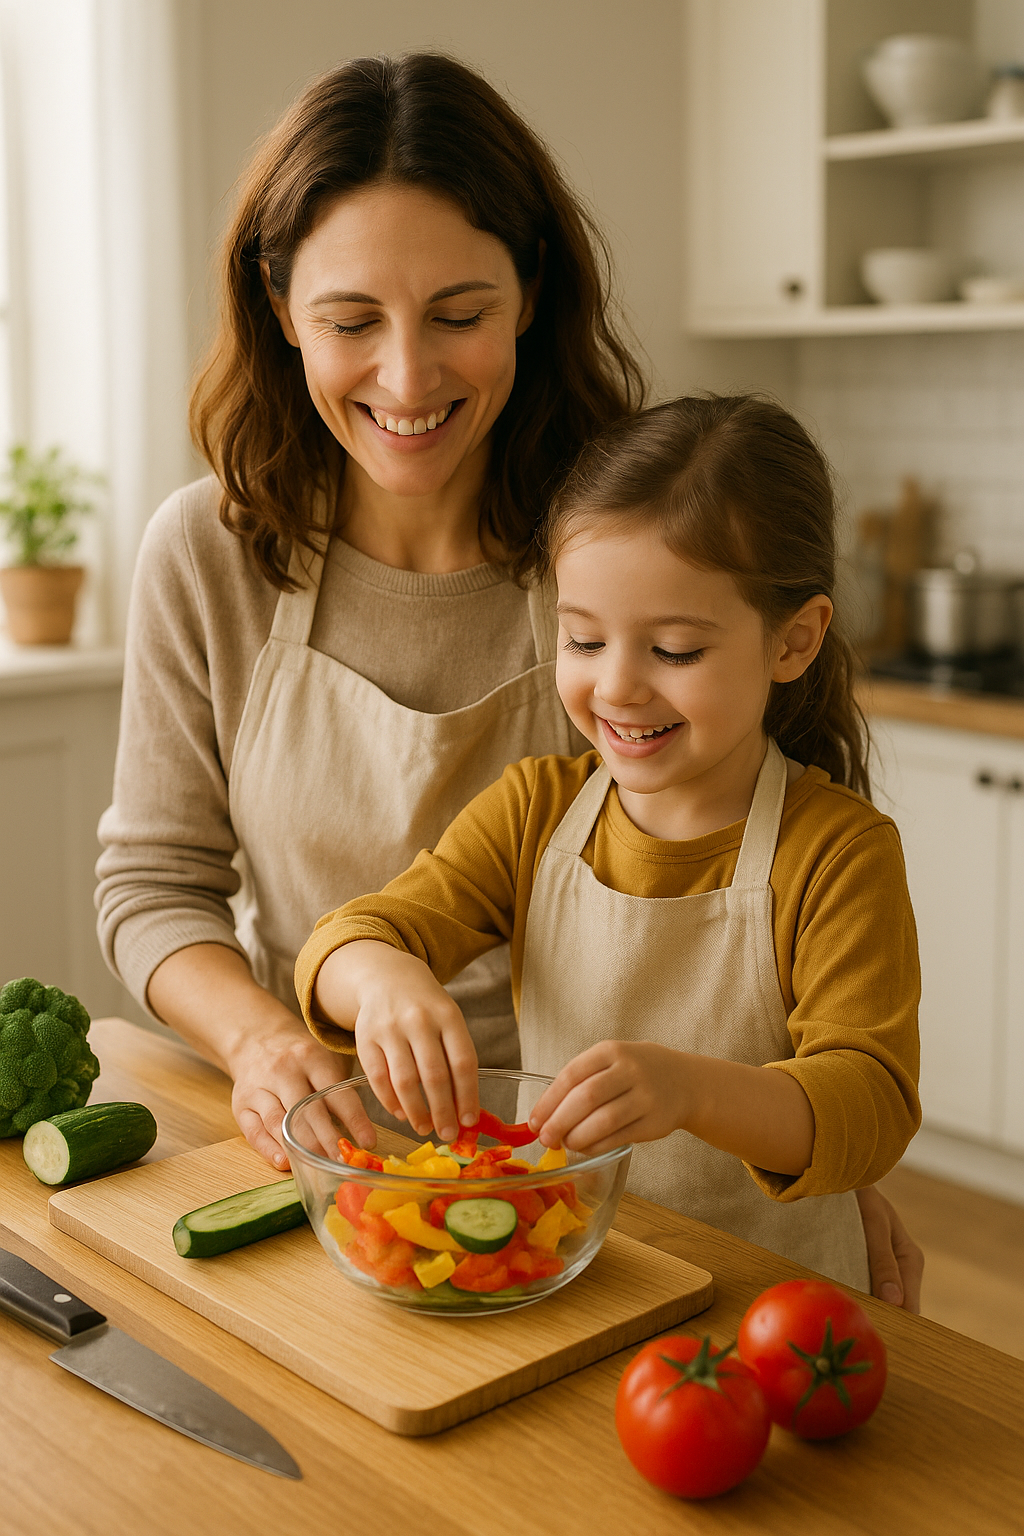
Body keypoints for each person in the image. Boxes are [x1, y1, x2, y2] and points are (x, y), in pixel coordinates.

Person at [95, 53, 921, 1306]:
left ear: (532, 292)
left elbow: (766, 856)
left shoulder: (617, 541)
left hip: (603, 1179)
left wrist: (819, 1145)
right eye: (351, 321)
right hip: (331, 1148)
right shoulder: (207, 553)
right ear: (278, 308)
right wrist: (271, 1041)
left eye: (460, 313)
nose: (410, 379)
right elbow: (154, 889)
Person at [296, 394, 922, 1291]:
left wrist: (693, 1092)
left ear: (794, 640)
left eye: (673, 650)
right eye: (584, 639)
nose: (617, 687)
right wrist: (382, 980)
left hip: (770, 1305)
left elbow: (871, 1104)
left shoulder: (838, 854)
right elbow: (347, 938)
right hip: (579, 1278)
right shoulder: (532, 812)